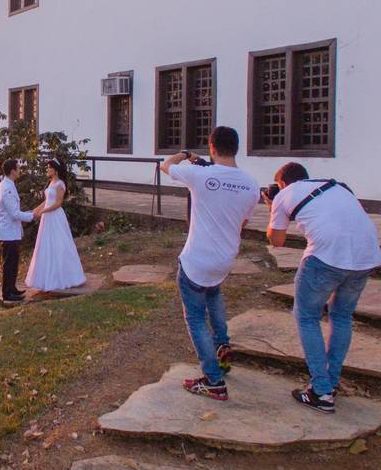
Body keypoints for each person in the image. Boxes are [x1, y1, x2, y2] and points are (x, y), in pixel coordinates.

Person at [264, 162, 381, 414]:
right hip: (366, 257)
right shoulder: (336, 187)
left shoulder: (284, 194)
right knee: (341, 316)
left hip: (326, 258)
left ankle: (321, 391)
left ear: (283, 183)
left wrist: (273, 206)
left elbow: (277, 240)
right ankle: (331, 381)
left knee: (307, 317)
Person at [160, 126, 260, 401]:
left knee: (195, 318)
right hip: (225, 258)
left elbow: (165, 166)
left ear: (212, 148)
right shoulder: (251, 185)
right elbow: (243, 222)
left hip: (197, 260)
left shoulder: (200, 175)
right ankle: (222, 346)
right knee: (214, 295)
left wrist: (186, 154)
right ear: (237, 148)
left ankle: (213, 380)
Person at [25, 157, 86, 292]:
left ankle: (65, 276)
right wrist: (35, 210)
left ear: (55, 170)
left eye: (49, 167)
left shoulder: (60, 184)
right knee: (46, 245)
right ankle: (44, 277)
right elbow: (47, 201)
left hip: (55, 216)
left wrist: (44, 212)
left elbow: (58, 203)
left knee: (59, 244)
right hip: (47, 217)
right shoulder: (50, 182)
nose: (47, 169)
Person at [0, 159, 39, 302]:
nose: (20, 170)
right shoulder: (6, 188)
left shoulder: (9, 185)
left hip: (11, 232)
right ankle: (7, 293)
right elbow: (14, 213)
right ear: (12, 170)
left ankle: (12, 288)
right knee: (9, 264)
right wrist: (32, 215)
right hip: (8, 233)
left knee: (13, 263)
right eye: (18, 168)